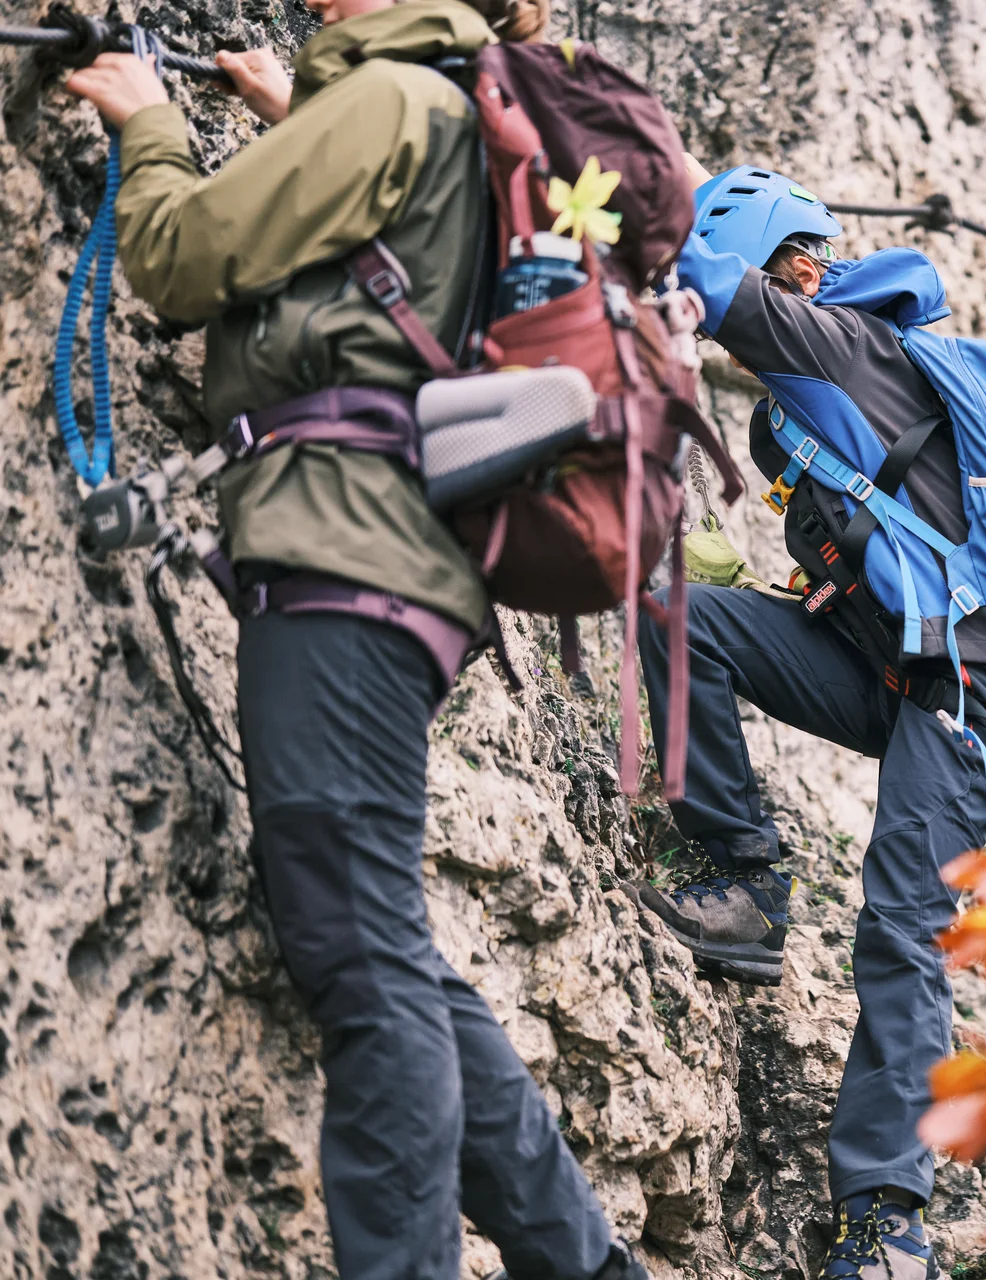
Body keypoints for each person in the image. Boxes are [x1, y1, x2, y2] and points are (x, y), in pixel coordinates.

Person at [62, 3, 645, 1278]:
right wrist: (295, 118)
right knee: (380, 935)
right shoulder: (450, 115)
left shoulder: (395, 105)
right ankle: (585, 1260)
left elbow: (176, 258)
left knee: (360, 951)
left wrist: (147, 115)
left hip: (344, 560)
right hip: (402, 572)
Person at [623, 163, 986, 1280]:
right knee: (672, 614)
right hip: (882, 661)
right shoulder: (801, 409)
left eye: (769, 275)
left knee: (902, 926)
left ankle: (887, 1223)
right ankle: (749, 886)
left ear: (794, 268)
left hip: (964, 690)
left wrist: (579, 172)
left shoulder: (850, 347)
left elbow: (702, 281)